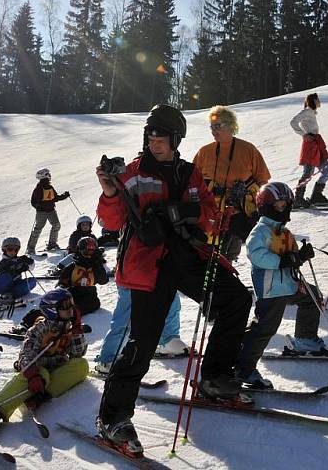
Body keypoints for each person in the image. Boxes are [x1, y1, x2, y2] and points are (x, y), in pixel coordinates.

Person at [95, 104, 252, 455]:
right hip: (149, 265)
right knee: (143, 341)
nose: (155, 143)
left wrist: (187, 212)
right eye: (150, 136)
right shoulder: (132, 173)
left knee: (236, 299)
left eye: (161, 137)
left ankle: (213, 377)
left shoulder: (188, 172)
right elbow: (110, 222)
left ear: (176, 139)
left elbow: (209, 212)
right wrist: (109, 191)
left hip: (187, 258)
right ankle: (113, 417)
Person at [234, 182, 328, 389]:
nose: (284, 209)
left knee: (312, 296)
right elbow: (256, 255)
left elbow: (291, 255)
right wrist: (285, 261)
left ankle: (305, 339)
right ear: (266, 206)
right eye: (278, 205)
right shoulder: (260, 231)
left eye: (286, 204)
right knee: (265, 328)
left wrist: (301, 255)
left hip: (289, 284)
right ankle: (244, 368)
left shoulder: (283, 231)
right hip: (271, 289)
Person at [0, 288, 89, 435]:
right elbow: (26, 356)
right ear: (52, 310)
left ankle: (39, 396)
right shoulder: (40, 328)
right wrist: (32, 375)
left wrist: (76, 330)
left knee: (82, 365)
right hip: (34, 370)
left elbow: (78, 354)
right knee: (43, 374)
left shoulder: (69, 327)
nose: (70, 310)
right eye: (65, 306)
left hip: (56, 367)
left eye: (71, 304)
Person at [193, 105, 271, 261]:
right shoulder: (204, 152)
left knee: (236, 250)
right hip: (212, 212)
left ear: (230, 126)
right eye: (211, 126)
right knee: (209, 252)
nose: (213, 130)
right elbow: (193, 180)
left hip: (240, 211)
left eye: (218, 126)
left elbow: (263, 179)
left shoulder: (248, 150)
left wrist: (246, 190)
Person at [290, 93, 328, 207]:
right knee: (308, 173)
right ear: (313, 100)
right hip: (310, 146)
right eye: (318, 99)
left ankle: (316, 196)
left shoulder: (311, 113)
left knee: (327, 170)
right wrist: (304, 134)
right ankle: (298, 199)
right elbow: (293, 122)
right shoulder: (307, 111)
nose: (319, 101)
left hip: (316, 145)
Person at [55, 236, 109, 315]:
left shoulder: (96, 267)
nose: (88, 255)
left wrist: (98, 265)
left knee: (91, 303)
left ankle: (73, 313)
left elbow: (103, 281)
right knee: (61, 302)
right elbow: (62, 282)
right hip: (74, 292)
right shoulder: (72, 267)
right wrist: (62, 286)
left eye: (91, 252)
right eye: (86, 252)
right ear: (79, 250)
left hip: (89, 294)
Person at [26, 168, 70, 255]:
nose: (50, 176)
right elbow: (33, 201)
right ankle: (30, 248)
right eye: (48, 174)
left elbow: (54, 198)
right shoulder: (39, 188)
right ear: (44, 176)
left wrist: (64, 196)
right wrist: (39, 206)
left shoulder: (49, 187)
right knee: (38, 229)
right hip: (43, 212)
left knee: (56, 225)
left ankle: (52, 244)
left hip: (50, 210)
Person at [0, 237, 37, 302]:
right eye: (10, 249)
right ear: (4, 250)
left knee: (32, 281)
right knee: (7, 277)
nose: (13, 252)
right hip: (5, 286)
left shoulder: (19, 259)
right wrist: (14, 270)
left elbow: (31, 267)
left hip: (16, 285)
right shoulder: (3, 262)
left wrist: (29, 262)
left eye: (16, 249)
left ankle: (10, 295)